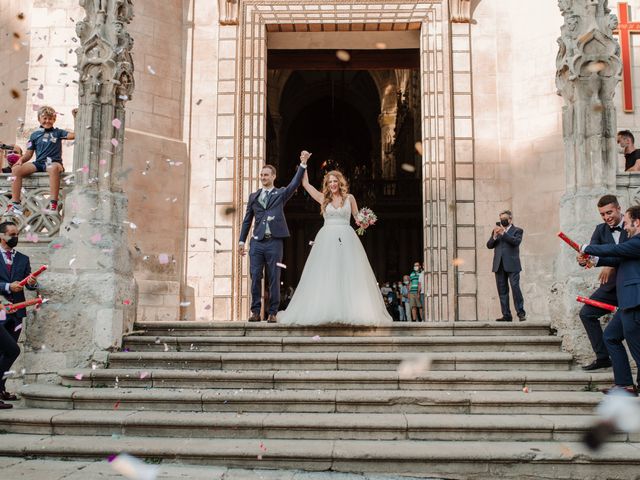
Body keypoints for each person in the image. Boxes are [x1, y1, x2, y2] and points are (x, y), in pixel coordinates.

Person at [278, 169, 391, 326]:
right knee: (327, 273)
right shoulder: (323, 198)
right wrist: (303, 164)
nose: (332, 184)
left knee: (348, 272)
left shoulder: (349, 198)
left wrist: (366, 220)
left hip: (347, 237)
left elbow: (357, 218)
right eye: (329, 182)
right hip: (327, 238)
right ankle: (325, 309)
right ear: (327, 184)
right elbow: (305, 184)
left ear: (340, 182)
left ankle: (349, 310)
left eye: (335, 181)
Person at [238, 152, 309, 322]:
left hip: (274, 242)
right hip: (257, 243)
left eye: (266, 175)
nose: (263, 177)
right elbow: (247, 220)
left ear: (273, 176)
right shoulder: (253, 197)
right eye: (261, 175)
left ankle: (272, 313)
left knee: (274, 277)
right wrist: (241, 240)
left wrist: (303, 164)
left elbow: (293, 184)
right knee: (255, 276)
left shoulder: (280, 194)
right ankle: (255, 311)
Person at [582, 205, 640, 396]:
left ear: (637, 222)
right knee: (611, 337)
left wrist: (585, 248)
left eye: (628, 223)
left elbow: (616, 249)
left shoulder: (637, 242)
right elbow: (617, 259)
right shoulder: (632, 243)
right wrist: (595, 260)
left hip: (635, 302)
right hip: (627, 302)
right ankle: (625, 385)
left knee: (637, 348)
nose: (626, 228)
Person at [576, 195, 626, 371]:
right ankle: (603, 357)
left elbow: (625, 253)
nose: (606, 218)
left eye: (609, 212)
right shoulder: (600, 230)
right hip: (611, 287)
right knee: (587, 313)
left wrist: (609, 265)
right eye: (603, 214)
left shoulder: (633, 226)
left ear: (619, 209)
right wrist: (584, 260)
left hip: (632, 286)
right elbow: (592, 253)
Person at [8, 106, 75, 215]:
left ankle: (54, 203)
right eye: (44, 118)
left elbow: (73, 136)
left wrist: (75, 119)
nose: (47, 121)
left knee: (52, 167)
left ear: (54, 119)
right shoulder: (34, 135)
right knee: (16, 170)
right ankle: (16, 203)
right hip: (39, 163)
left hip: (54, 163)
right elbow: (29, 153)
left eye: (50, 118)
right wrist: (21, 160)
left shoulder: (58, 133)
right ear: (39, 119)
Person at [0, 221, 38, 408]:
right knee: (8, 351)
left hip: (16, 312)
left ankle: (1, 388)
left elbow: (29, 284)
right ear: (1, 236)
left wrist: (31, 282)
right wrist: (8, 286)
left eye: (17, 234)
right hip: (0, 310)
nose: (15, 238)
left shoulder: (23, 259)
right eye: (11, 234)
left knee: (9, 352)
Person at [487, 210, 526, 322]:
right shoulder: (496, 231)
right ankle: (506, 315)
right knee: (502, 291)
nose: (502, 221)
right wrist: (494, 236)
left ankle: (521, 313)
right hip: (499, 265)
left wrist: (503, 233)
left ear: (510, 219)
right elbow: (489, 245)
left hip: (512, 265)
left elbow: (515, 242)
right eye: (501, 219)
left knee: (515, 288)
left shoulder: (517, 231)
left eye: (504, 218)